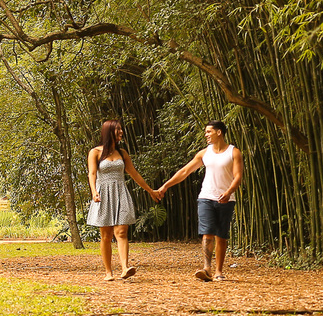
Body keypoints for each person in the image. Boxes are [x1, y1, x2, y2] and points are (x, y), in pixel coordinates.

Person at [155, 120, 244, 282]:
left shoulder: (234, 152)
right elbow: (185, 171)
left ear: (219, 132)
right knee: (207, 232)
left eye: (209, 132)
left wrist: (229, 191)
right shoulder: (204, 153)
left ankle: (218, 271)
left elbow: (238, 176)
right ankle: (207, 268)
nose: (206, 135)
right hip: (206, 197)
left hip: (227, 198)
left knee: (221, 236)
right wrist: (165, 186)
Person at [86, 119, 160, 281]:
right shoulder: (95, 152)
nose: (121, 132)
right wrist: (94, 191)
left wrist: (150, 191)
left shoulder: (123, 153)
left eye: (121, 129)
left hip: (121, 192)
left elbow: (134, 174)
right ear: (108, 131)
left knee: (121, 231)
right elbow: (92, 174)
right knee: (105, 235)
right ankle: (108, 272)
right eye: (117, 129)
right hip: (103, 193)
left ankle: (125, 267)